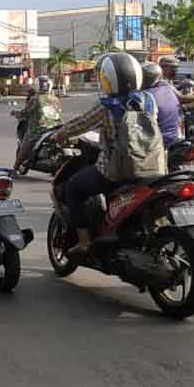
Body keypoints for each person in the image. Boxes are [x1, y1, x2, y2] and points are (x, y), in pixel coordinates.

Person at [50, 53, 149, 256]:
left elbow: (80, 124)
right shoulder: (148, 101)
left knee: (73, 189)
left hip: (115, 173)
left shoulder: (108, 107)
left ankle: (85, 241)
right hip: (151, 168)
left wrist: (59, 135)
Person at [13, 75, 62, 171]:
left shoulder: (35, 99)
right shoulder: (55, 99)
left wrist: (15, 113)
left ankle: (15, 169)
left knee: (25, 145)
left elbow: (25, 113)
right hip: (56, 126)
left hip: (40, 128)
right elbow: (58, 111)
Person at [142, 62, 184, 148]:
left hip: (158, 142)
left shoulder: (146, 96)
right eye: (172, 68)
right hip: (173, 137)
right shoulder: (167, 88)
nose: (174, 70)